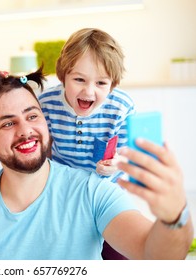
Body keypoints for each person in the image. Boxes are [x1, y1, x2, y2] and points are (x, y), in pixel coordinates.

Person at [0, 67, 193, 260]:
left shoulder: (93, 192)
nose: (26, 130)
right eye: (8, 123)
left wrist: (174, 216)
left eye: (32, 116)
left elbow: (157, 256)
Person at [38, 28, 135, 259]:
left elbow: (128, 152)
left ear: (112, 84)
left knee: (118, 253)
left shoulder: (121, 106)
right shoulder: (47, 103)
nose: (88, 91)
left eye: (101, 83)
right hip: (65, 191)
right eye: (79, 79)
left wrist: (118, 162)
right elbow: (44, 152)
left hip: (108, 190)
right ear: (63, 76)